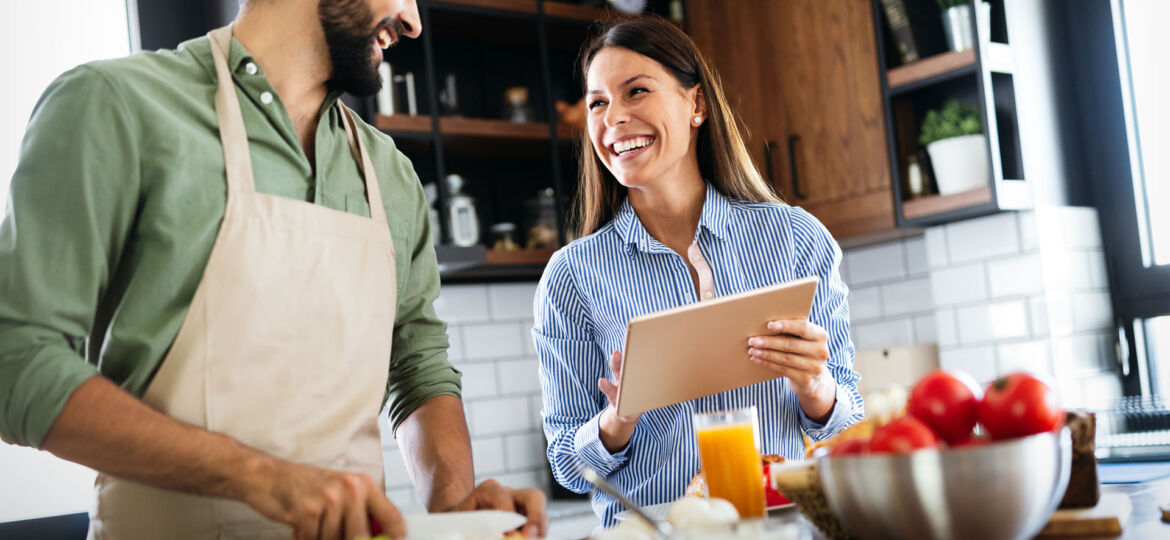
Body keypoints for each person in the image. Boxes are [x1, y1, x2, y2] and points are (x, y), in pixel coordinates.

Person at [0, 0, 547, 538]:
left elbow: (417, 367)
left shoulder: (389, 174)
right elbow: (16, 363)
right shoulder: (116, 105)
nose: (412, 20)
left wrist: (460, 513)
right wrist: (262, 477)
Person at [533, 16, 864, 527]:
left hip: (776, 531)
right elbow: (568, 468)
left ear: (697, 104)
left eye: (636, 91)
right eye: (598, 102)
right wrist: (618, 419)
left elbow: (847, 428)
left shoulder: (795, 239)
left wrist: (815, 386)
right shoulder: (572, 276)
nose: (613, 117)